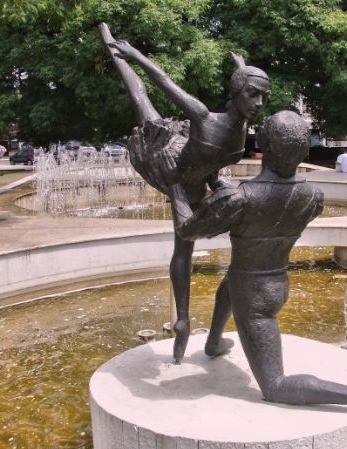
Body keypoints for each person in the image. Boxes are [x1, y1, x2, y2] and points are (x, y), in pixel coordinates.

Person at [169, 110, 347, 421]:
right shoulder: (313, 196)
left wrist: (177, 191)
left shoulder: (240, 197)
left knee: (275, 384)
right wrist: (217, 185)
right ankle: (214, 342)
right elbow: (265, 208)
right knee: (230, 280)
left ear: (263, 147)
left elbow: (188, 229)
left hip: (253, 297)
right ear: (302, 152)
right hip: (276, 281)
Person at [99, 23, 270, 363]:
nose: (260, 103)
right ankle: (111, 46)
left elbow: (235, 108)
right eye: (253, 94)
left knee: (185, 246)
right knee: (141, 98)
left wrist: (241, 68)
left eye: (263, 96)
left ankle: (183, 318)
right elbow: (163, 81)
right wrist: (133, 54)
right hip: (170, 164)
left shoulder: (239, 126)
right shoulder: (205, 117)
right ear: (237, 93)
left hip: (195, 178)